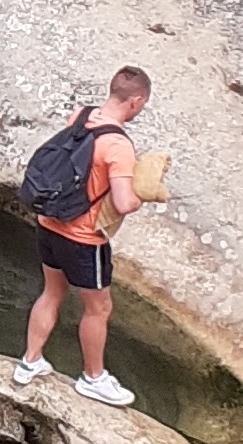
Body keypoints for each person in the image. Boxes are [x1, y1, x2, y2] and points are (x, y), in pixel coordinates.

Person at [13, 67, 152, 407]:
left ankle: (30, 361)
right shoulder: (118, 146)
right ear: (135, 102)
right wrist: (144, 194)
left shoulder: (81, 116)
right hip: (84, 240)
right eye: (142, 105)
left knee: (52, 292)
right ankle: (93, 378)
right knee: (98, 308)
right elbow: (123, 202)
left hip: (49, 225)